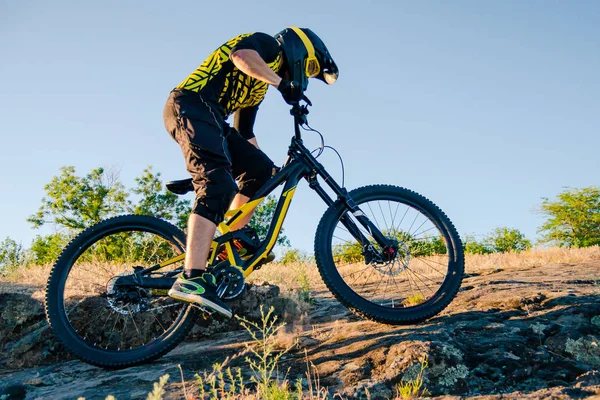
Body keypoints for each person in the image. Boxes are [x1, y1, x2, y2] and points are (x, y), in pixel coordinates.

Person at [163, 27, 339, 318]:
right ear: (299, 50)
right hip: (189, 105)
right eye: (309, 67)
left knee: (260, 173)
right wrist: (282, 85)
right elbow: (241, 55)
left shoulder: (257, 88)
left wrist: (270, 170)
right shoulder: (267, 46)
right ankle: (192, 279)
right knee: (217, 183)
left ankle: (231, 238)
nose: (304, 76)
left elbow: (244, 132)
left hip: (212, 121)